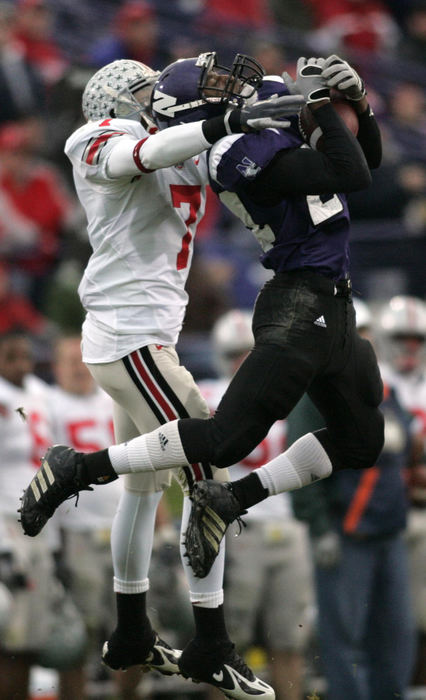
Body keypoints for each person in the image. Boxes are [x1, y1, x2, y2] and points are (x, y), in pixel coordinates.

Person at [20, 50, 383, 659]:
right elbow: (345, 170)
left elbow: (354, 153)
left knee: (351, 440)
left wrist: (350, 99)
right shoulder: (154, 141)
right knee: (215, 450)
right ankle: (207, 640)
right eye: (141, 93)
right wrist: (278, 111)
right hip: (145, 328)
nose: (232, 86)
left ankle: (134, 627)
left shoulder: (196, 140)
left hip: (176, 324)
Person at [288, 298, 416, 700]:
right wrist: (320, 527)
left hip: (389, 532)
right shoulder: (316, 395)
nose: (359, 342)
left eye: (363, 333)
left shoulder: (384, 388)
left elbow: (403, 449)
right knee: (344, 637)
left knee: (396, 635)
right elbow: (298, 464)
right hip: (346, 533)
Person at [199, 309, 313, 700]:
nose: (243, 363)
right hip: (235, 531)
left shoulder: (291, 395)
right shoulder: (209, 396)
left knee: (289, 640)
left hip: (289, 526)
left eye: (250, 352)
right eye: (235, 354)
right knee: (228, 643)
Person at [377, 294, 426, 689]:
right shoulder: (372, 383)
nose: (409, 346)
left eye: (417, 338)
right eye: (401, 336)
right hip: (381, 514)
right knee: (388, 616)